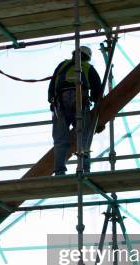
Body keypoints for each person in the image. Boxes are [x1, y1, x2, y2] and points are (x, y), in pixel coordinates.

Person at [48, 45, 103, 175]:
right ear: (87, 58)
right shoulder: (88, 68)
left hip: (60, 104)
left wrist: (52, 102)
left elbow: (52, 86)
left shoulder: (62, 65)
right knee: (84, 137)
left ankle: (59, 171)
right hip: (80, 102)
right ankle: (84, 169)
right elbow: (97, 92)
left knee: (60, 140)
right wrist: (97, 115)